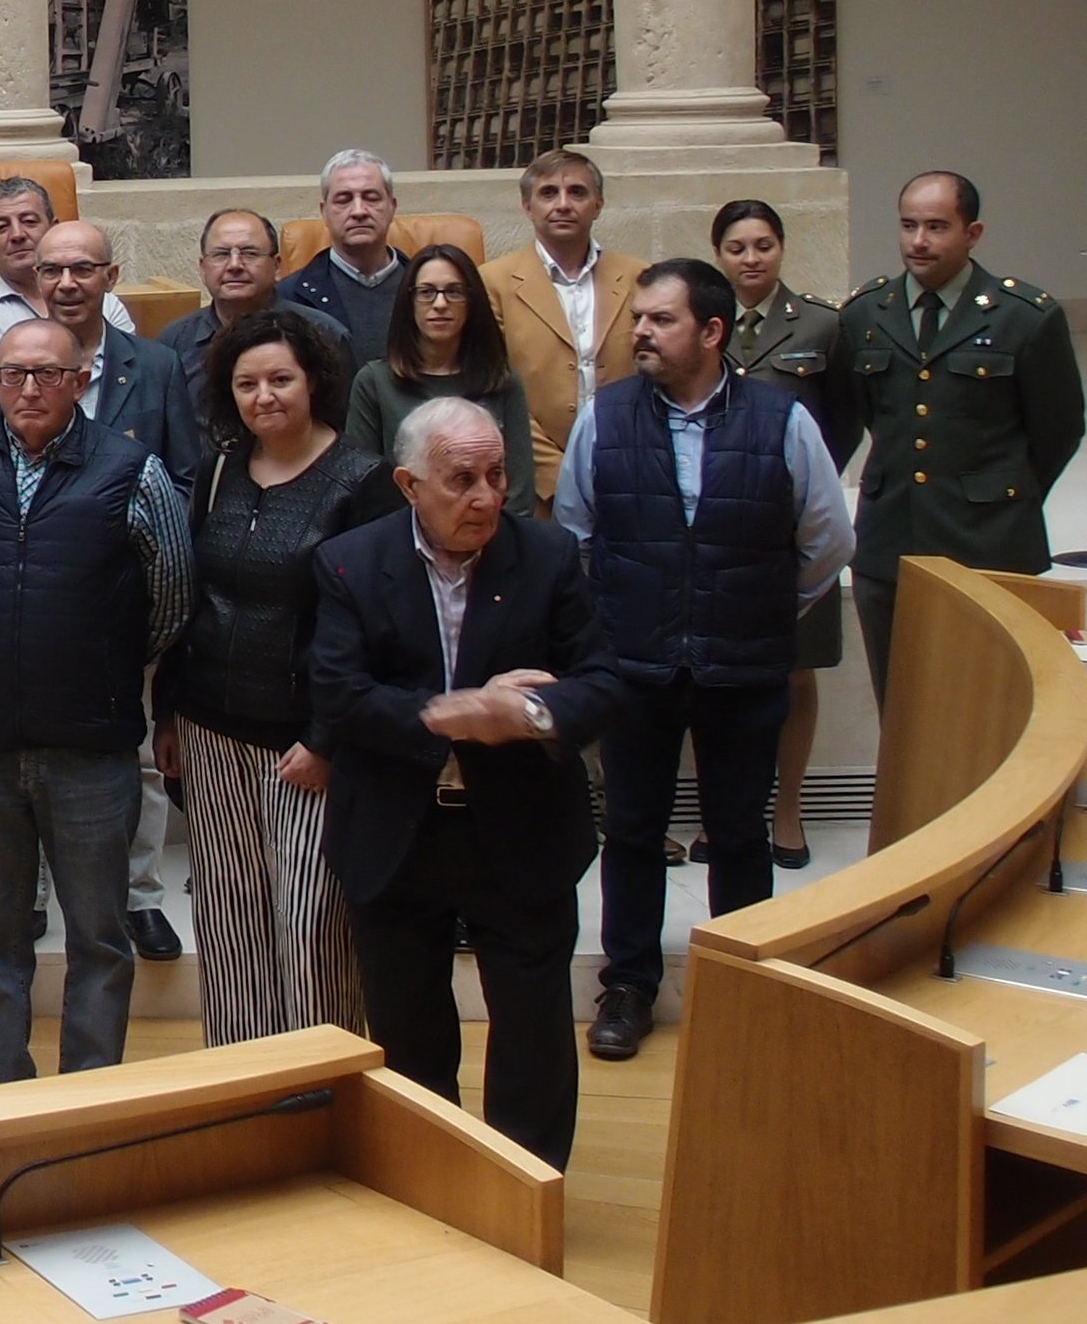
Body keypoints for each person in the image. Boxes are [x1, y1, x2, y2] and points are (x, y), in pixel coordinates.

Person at [312, 398, 621, 1168]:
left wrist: (527, 711)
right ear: (410, 483)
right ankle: (431, 1184)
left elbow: (605, 683)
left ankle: (525, 1191)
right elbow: (339, 696)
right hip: (397, 833)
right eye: (462, 479)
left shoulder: (547, 555)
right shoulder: (349, 559)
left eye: (496, 475)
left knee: (533, 1035)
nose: (485, 496)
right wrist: (458, 716)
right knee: (409, 1036)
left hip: (521, 830)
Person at [559, 258, 852, 1062]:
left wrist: (760, 609)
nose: (641, 332)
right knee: (631, 829)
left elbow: (828, 540)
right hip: (636, 664)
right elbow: (576, 537)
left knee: (737, 833)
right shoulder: (606, 416)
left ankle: (742, 984)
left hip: (744, 664)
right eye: (639, 319)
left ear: (712, 332)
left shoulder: (783, 419)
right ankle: (627, 986)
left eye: (661, 319)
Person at [0, 318, 193, 1084]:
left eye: (47, 373)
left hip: (92, 747)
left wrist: (99, 667)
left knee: (100, 938)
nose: (28, 387)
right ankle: (3, 1098)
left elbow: (169, 600)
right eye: (12, 373)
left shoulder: (135, 470)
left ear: (80, 379)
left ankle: (90, 1095)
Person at [158, 309, 395, 1047]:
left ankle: (319, 1086)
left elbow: (371, 630)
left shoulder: (363, 479)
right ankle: (242, 1084)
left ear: (315, 381)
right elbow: (188, 597)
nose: (264, 395)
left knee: (312, 923)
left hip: (307, 745)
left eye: (280, 379)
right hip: (209, 729)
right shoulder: (220, 468)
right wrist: (168, 713)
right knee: (229, 920)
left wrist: (328, 736)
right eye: (246, 382)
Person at [830, 170, 1080, 702]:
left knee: (988, 705)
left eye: (937, 226)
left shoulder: (1024, 317)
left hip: (990, 543)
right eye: (909, 225)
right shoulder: (865, 315)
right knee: (902, 705)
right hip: (890, 539)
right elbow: (855, 413)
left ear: (973, 233)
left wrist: (999, 492)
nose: (919, 241)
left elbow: (1059, 428)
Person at [715, 198, 845, 867]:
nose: (751, 257)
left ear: (782, 248)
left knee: (796, 673)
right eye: (737, 246)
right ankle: (728, 810)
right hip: (719, 531)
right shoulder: (701, 325)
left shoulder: (820, 324)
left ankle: (787, 809)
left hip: (791, 528)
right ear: (719, 255)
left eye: (763, 243)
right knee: (724, 679)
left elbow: (843, 419)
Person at [0, 220, 199, 482]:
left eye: (82, 269)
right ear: (38, 278)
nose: (66, 284)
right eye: (51, 271)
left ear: (110, 277)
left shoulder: (158, 366)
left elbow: (184, 480)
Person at [481, 152, 642, 505]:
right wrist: (560, 477)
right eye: (549, 193)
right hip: (538, 487)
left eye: (577, 193)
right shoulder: (493, 282)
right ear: (527, 206)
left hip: (630, 474)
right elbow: (494, 387)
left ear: (598, 205)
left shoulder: (639, 278)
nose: (563, 204)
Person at [346, 246, 539, 518]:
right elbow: (363, 488)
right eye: (426, 292)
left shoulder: (502, 381)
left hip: (491, 539)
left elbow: (519, 494)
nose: (439, 304)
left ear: (472, 302)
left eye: (454, 292)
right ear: (408, 302)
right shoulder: (374, 382)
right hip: (401, 542)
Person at [0, 178, 136, 371]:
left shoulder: (105, 302)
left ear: (53, 228)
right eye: (1, 227)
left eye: (29, 222)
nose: (17, 235)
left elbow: (129, 374)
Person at [157, 211, 345, 405]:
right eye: (221, 254)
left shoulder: (324, 334)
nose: (235, 265)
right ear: (203, 268)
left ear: (277, 266)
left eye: (250, 253)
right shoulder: (174, 342)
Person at [279, 151, 411, 365]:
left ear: (392, 207)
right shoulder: (288, 297)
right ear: (324, 212)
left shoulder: (426, 288)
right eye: (343, 200)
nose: (359, 211)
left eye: (371, 197)